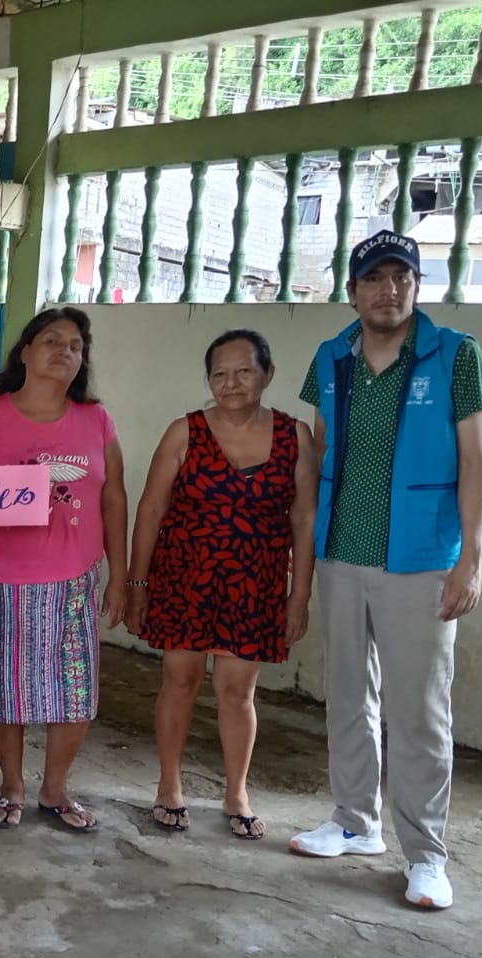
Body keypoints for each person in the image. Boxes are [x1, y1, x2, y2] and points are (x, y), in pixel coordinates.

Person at [288, 231, 482, 910]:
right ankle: (355, 822)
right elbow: (319, 450)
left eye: (401, 277)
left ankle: (427, 855)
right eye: (374, 279)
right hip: (343, 551)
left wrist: (470, 560)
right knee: (348, 695)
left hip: (422, 561)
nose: (388, 290)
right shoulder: (331, 357)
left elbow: (477, 463)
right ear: (352, 292)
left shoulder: (457, 356)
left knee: (419, 711)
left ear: (417, 285)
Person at [125, 330, 317, 839]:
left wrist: (300, 594)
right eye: (219, 374)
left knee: (237, 691)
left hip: (256, 584)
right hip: (184, 578)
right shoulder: (185, 432)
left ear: (268, 375)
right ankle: (169, 786)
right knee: (179, 681)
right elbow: (151, 508)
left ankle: (236, 793)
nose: (231, 383)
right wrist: (137, 581)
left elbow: (304, 519)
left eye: (244, 372)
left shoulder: (294, 436)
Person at [0, 307, 126, 834]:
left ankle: (55, 789)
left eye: (76, 345)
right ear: (24, 352)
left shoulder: (96, 420)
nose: (65, 351)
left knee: (74, 691)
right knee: (1, 689)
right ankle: (11, 786)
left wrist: (120, 576)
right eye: (51, 340)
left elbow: (114, 498)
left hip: (74, 580)